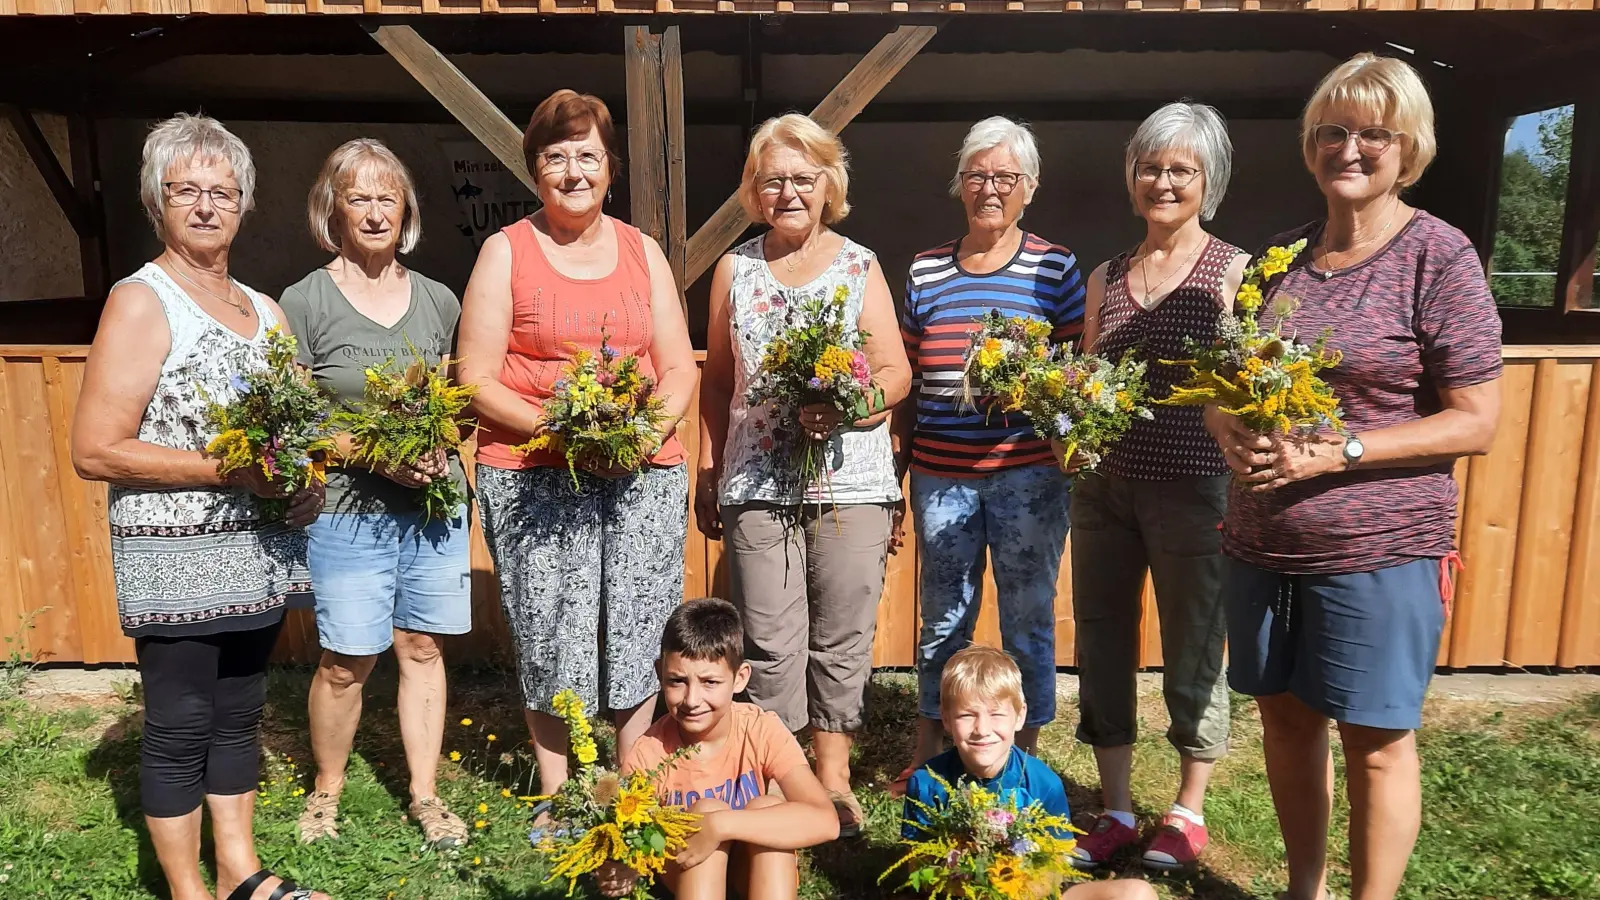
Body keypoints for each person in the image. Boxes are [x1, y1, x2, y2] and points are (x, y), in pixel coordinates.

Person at [1209, 53, 1502, 900]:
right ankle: (1307, 887)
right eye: (1333, 131)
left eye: (1376, 133)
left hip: (1377, 546)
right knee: (1286, 721)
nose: (1351, 149)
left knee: (1374, 738)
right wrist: (1223, 424)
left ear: (1408, 148)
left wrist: (1338, 452)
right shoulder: (1277, 263)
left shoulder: (1436, 257)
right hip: (1262, 542)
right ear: (1310, 146)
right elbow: (1228, 387)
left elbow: (1477, 420)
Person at [70, 114, 328, 900]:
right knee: (181, 724)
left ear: (246, 204)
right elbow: (95, 448)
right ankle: (187, 891)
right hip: (175, 558)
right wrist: (228, 471)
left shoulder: (265, 310)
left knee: (239, 714)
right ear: (158, 203)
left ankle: (239, 872)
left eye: (224, 191)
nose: (208, 206)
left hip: (255, 557)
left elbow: (295, 429)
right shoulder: (142, 302)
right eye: (187, 190)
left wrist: (305, 477)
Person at [456, 89, 698, 799]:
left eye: (587, 156)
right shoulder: (506, 252)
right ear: (535, 171)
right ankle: (560, 791)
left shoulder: (641, 250)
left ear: (609, 167)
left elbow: (679, 367)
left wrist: (636, 436)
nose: (573, 172)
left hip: (641, 472)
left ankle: (633, 781)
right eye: (556, 157)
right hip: (533, 472)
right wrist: (564, 433)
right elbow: (474, 377)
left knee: (638, 620)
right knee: (548, 625)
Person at [694, 113, 909, 836]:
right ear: (754, 191)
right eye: (772, 179)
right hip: (757, 482)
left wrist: (853, 409)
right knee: (769, 638)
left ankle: (834, 779)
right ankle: (780, 778)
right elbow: (719, 381)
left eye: (802, 178)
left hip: (850, 482)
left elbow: (894, 373)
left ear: (828, 184)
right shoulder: (736, 268)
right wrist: (709, 466)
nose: (787, 192)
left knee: (841, 636)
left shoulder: (860, 265)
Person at [1068, 102, 1249, 873]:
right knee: (1103, 640)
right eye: (1151, 166)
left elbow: (1247, 384)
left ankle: (1186, 809)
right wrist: (1061, 423)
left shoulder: (1235, 271)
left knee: (1194, 644)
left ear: (1209, 180)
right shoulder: (1107, 274)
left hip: (1192, 488)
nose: (1163, 181)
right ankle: (1112, 806)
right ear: (1131, 176)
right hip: (1103, 489)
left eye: (1182, 169)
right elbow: (1080, 377)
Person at [279, 139, 472, 849]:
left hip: (430, 507)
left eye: (386, 197)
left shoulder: (438, 300)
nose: (373, 210)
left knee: (422, 647)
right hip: (348, 512)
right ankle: (326, 792)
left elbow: (456, 402)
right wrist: (373, 455)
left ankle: (425, 795)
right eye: (357, 196)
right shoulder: (303, 301)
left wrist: (438, 446)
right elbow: (294, 416)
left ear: (407, 209)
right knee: (347, 658)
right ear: (331, 209)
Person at [891, 117, 1086, 789]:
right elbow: (910, 381)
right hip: (941, 474)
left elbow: (1072, 379)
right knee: (943, 615)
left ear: (1028, 188)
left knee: (1029, 611)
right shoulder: (925, 268)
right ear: (959, 185)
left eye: (1005, 177)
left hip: (1027, 475)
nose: (990, 188)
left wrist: (1045, 405)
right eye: (977, 175)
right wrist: (898, 469)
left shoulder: (1055, 267)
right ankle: (929, 754)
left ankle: (1022, 761)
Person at [617, 598, 840, 900]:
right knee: (705, 811)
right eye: (677, 681)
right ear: (660, 674)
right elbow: (627, 842)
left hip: (752, 875)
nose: (692, 699)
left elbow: (826, 821)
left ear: (740, 678)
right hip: (688, 876)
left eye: (710, 681)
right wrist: (619, 866)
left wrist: (722, 825)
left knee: (765, 809)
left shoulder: (760, 729)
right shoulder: (648, 753)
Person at [900, 646, 1157, 900]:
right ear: (945, 719)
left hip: (1029, 891)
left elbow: (1056, 865)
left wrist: (1016, 887)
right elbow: (919, 869)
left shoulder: (1044, 783)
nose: (982, 729)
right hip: (961, 892)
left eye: (996, 714)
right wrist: (968, 878)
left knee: (1137, 893)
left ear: (1020, 716)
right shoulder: (926, 783)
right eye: (967, 715)